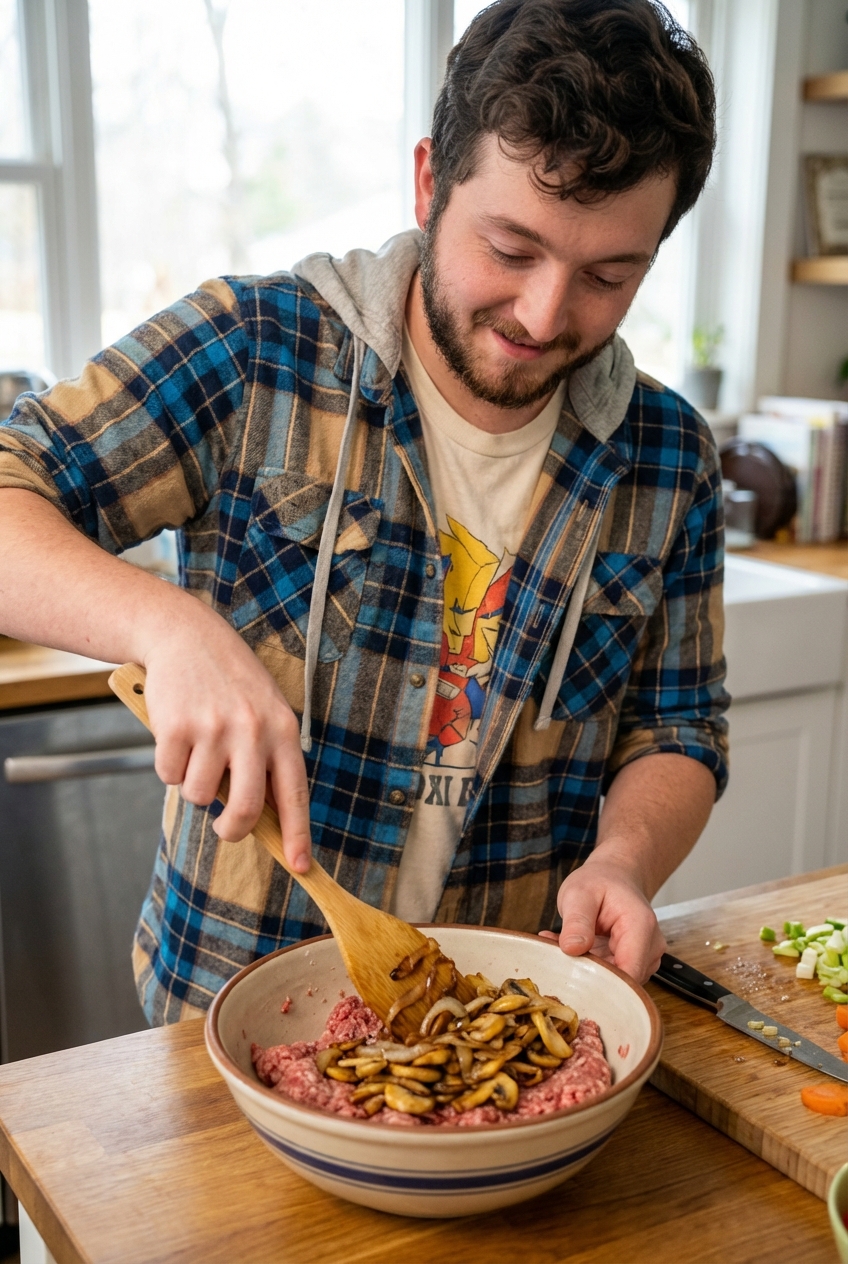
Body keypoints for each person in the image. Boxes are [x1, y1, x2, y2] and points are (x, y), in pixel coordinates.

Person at [0, 0, 728, 1025]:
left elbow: (679, 727)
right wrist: (166, 625)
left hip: (500, 1030)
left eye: (608, 275)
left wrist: (624, 858)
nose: (543, 313)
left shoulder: (667, 458)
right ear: (430, 181)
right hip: (228, 1031)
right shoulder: (255, 353)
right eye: (510, 249)